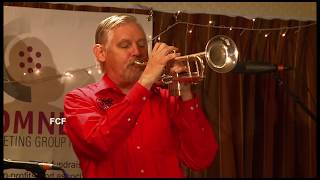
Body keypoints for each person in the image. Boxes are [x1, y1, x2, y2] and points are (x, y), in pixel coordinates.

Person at [63, 14, 218, 178]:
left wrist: (185, 94)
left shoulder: (167, 99)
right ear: (101, 52)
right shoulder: (79, 99)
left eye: (142, 44)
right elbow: (99, 144)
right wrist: (146, 80)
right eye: (124, 45)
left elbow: (201, 159)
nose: (137, 52)